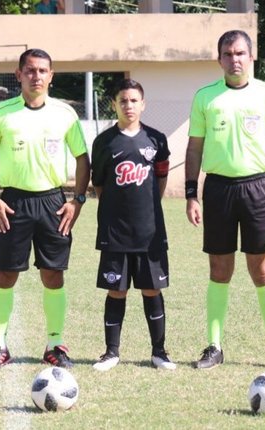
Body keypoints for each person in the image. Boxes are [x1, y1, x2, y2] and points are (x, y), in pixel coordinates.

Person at [185, 30, 265, 370]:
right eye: (228, 54)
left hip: (258, 189)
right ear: (219, 60)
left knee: (261, 269)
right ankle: (214, 346)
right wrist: (191, 193)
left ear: (251, 57)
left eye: (241, 53)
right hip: (217, 190)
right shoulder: (206, 97)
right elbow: (194, 148)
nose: (235, 59)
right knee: (219, 268)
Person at [0, 48, 90, 369]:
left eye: (42, 71)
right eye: (30, 70)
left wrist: (76, 201)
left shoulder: (65, 114)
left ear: (51, 76)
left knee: (53, 274)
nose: (36, 76)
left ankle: (55, 344)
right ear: (19, 75)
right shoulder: (1, 112)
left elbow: (83, 159)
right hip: (12, 202)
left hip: (53, 202)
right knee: (5, 273)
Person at [90, 79, 176, 372]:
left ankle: (159, 352)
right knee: (116, 291)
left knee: (152, 290)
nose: (128, 106)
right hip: (115, 232)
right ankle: (111, 352)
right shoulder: (104, 142)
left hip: (150, 232)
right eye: (123, 100)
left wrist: (148, 208)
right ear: (114, 104)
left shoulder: (157, 140)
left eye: (134, 100)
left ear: (143, 104)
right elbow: (99, 185)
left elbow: (161, 179)